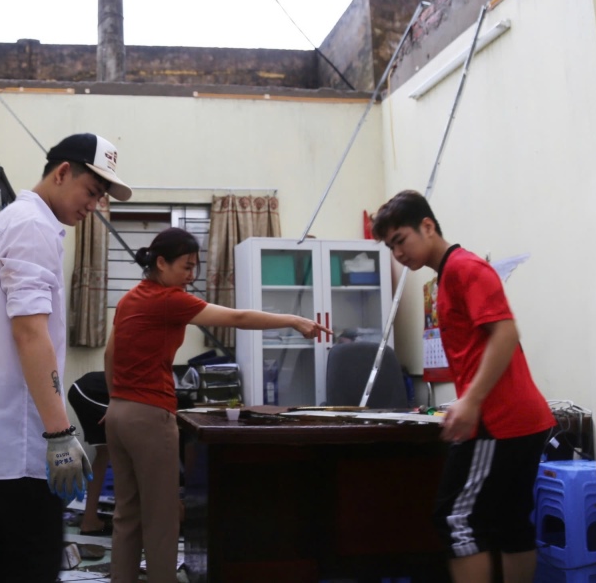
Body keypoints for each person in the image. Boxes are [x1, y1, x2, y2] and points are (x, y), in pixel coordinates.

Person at [0, 132, 132, 583]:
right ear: (62, 171)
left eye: (101, 198)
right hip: (18, 437)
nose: (93, 206)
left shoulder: (13, 222)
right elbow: (30, 333)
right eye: (91, 191)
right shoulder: (31, 227)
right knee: (31, 560)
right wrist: (60, 433)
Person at [104, 227, 331, 583]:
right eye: (185, 266)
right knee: (161, 518)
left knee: (126, 515)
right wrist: (293, 320)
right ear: (161, 263)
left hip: (118, 413)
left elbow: (110, 353)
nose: (190, 275)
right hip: (149, 415)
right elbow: (238, 318)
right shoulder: (169, 299)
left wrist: (115, 399)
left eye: (195, 267)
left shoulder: (130, 299)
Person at [371, 190, 555, 583]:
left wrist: (471, 400)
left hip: (498, 420)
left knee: (456, 519)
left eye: (400, 240)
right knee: (508, 522)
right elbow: (481, 347)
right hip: (519, 416)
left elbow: (505, 333)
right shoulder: (449, 275)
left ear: (428, 225)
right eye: (390, 247)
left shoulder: (464, 269)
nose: (398, 254)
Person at [67, 370, 113, 536]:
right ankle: (126, 522)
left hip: (84, 389)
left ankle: (90, 520)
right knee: (119, 453)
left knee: (105, 453)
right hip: (91, 392)